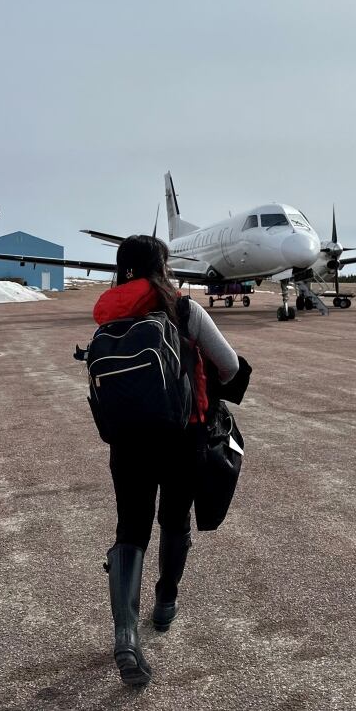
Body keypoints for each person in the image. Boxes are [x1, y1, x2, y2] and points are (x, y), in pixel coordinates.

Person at [92, 235, 240, 688]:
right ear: (162, 266)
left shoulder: (110, 313)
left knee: (130, 528)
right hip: (182, 436)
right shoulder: (184, 310)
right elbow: (230, 366)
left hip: (127, 442)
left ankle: (125, 633)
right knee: (174, 521)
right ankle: (166, 602)